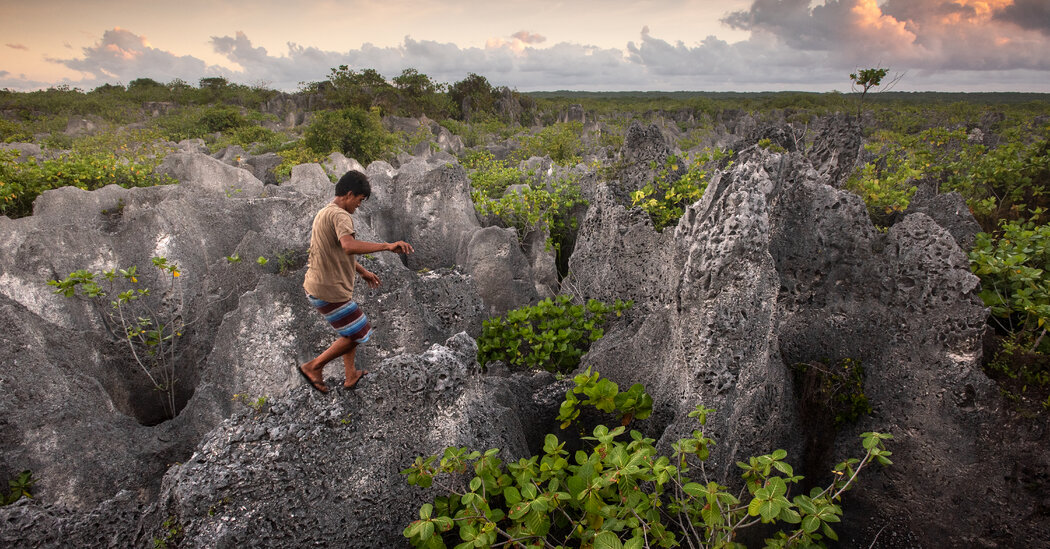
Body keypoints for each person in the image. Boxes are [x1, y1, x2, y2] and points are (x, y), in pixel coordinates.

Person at [298, 170, 413, 393]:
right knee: (360, 331)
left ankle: (350, 375)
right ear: (349, 194)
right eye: (359, 200)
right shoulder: (341, 216)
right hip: (328, 290)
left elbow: (336, 251)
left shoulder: (324, 212)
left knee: (350, 330)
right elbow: (349, 246)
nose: (359, 206)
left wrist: (362, 271)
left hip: (319, 285)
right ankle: (313, 367)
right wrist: (387, 246)